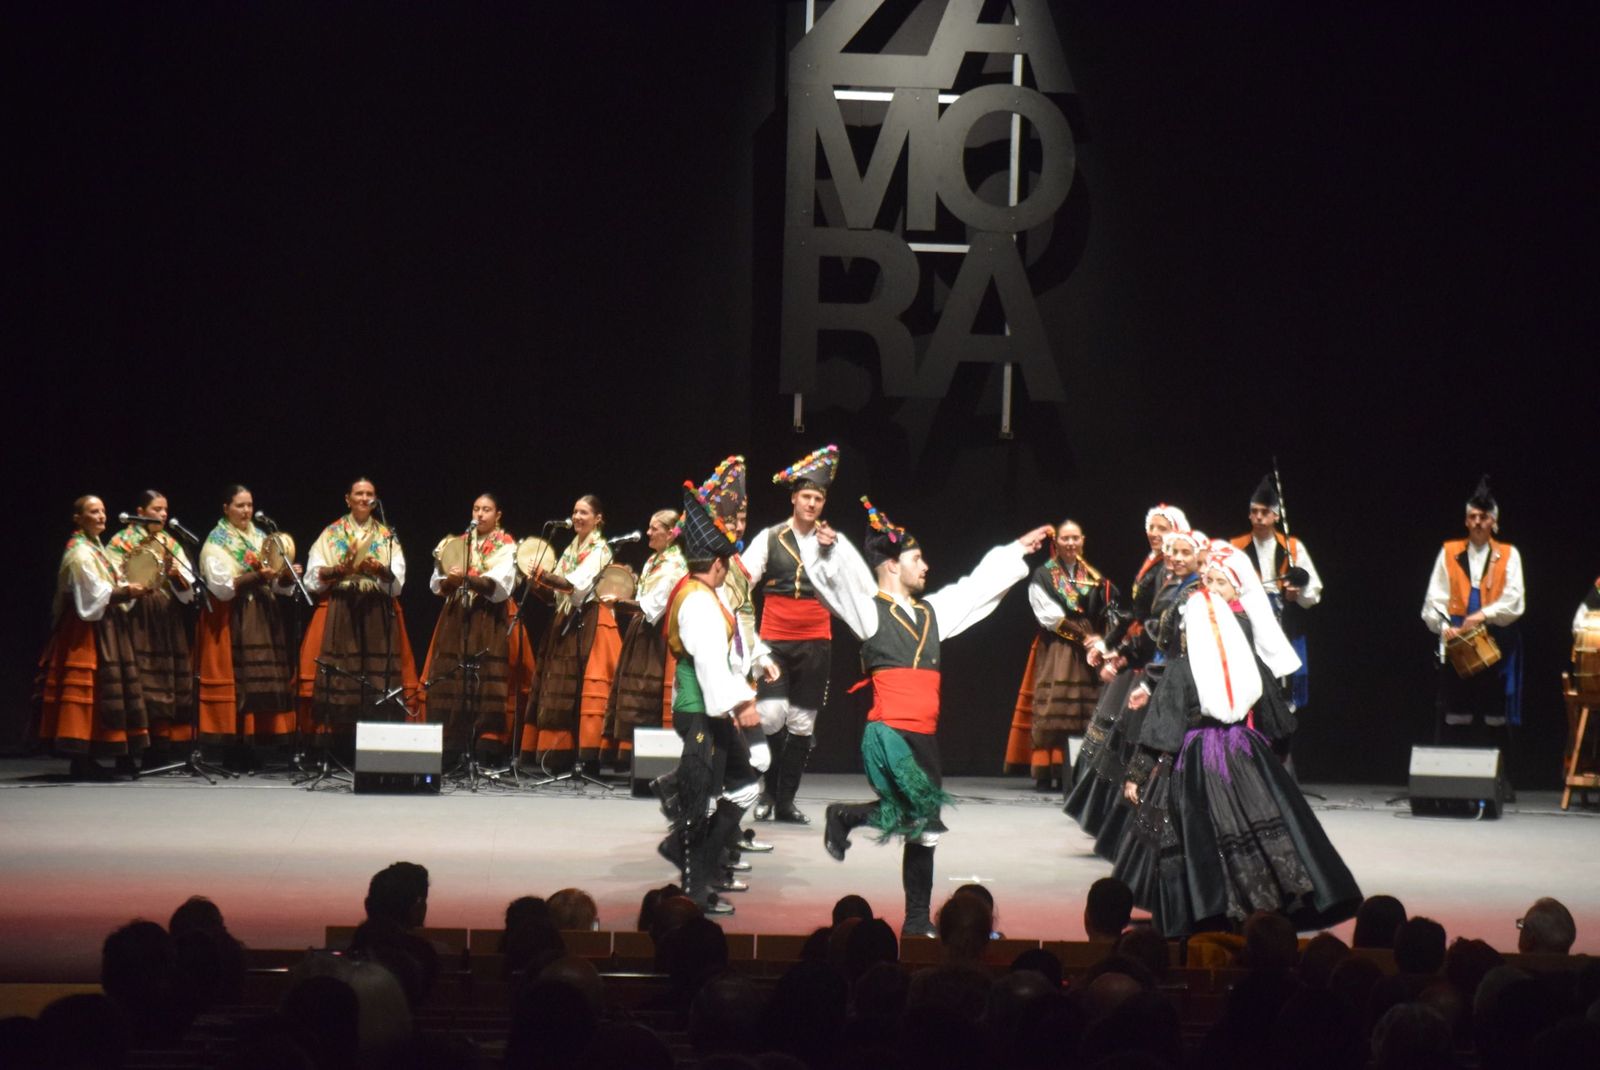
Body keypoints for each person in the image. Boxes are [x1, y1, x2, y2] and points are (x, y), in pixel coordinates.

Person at [814, 496, 1052, 937]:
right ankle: (854, 829)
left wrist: (1016, 549)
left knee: (924, 831)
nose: (925, 566)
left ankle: (915, 919)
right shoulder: (870, 613)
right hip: (889, 733)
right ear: (890, 566)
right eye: (916, 559)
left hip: (924, 737)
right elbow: (840, 587)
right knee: (919, 815)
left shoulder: (931, 613)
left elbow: (974, 588)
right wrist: (829, 552)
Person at [1120, 543, 1361, 937]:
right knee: (1260, 831)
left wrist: (1136, 774)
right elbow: (1279, 722)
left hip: (1197, 757)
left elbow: (1162, 729)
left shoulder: (1183, 669)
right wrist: (1272, 759)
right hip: (1246, 751)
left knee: (1203, 835)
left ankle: (1210, 912)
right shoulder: (1246, 660)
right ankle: (1266, 908)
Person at [658, 478, 765, 915]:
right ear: (718, 564)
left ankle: (682, 848)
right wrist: (740, 705)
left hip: (707, 707)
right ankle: (696, 892)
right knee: (701, 804)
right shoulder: (699, 601)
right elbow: (707, 666)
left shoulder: (700, 592)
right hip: (700, 708)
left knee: (744, 787)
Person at [1064, 504, 1187, 849]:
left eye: (1165, 530)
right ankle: (1109, 825)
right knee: (1116, 740)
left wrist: (1121, 654)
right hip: (1142, 656)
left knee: (1133, 743)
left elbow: (1155, 627)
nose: (1157, 535)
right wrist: (1110, 644)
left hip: (1153, 663)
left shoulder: (1174, 578)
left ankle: (1129, 833)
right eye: (1154, 528)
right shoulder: (1154, 564)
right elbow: (1138, 615)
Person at [739, 445, 841, 823]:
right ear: (794, 498)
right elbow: (742, 582)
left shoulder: (831, 543)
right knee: (769, 715)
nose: (811, 504)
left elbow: (845, 591)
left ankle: (784, 801)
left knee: (801, 723)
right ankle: (766, 792)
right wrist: (749, 636)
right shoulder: (770, 537)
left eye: (817, 498)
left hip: (816, 642)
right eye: (806, 497)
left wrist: (832, 558)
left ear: (823, 502)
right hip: (775, 641)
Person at [36, 495, 150, 778]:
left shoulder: (96, 548)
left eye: (102, 511)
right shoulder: (80, 553)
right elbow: (92, 595)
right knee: (88, 690)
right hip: (85, 630)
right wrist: (126, 591)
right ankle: (81, 758)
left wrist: (130, 586)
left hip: (107, 625)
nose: (101, 516)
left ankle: (116, 753)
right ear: (78, 518)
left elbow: (109, 584)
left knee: (111, 690)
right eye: (93, 512)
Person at [298, 478, 420, 737]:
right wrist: (337, 570)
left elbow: (398, 580)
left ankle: (375, 736)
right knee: (344, 672)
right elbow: (311, 576)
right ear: (348, 499)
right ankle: (338, 738)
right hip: (343, 609)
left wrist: (379, 569)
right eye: (359, 493)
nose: (364, 498)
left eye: (370, 494)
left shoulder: (386, 535)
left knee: (375, 676)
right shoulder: (331, 533)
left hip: (376, 612)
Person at [1004, 519, 1116, 792]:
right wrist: (1083, 637)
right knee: (1055, 705)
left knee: (1087, 705)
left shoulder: (1092, 575)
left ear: (1082, 540)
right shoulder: (1044, 574)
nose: (1071, 543)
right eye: (1065, 538)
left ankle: (1079, 770)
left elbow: (1105, 608)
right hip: (1059, 645)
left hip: (1090, 647)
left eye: (1075, 538)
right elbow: (1048, 616)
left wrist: (1102, 639)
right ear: (1057, 542)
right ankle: (1047, 771)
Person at [1421, 475, 1525, 755]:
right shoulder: (1449, 552)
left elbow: (1514, 599)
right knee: (1457, 707)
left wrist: (1483, 615)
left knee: (1495, 709)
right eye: (1473, 516)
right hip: (1459, 641)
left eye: (1484, 517)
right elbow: (1435, 598)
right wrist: (1444, 626)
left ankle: (1500, 780)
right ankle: (1456, 777)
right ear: (1466, 521)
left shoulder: (1508, 554)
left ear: (1494, 522)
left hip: (1497, 640)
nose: (1478, 522)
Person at [196, 485, 301, 760]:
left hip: (265, 614)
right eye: (240, 505)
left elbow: (277, 582)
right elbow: (221, 587)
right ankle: (236, 745)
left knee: (263, 679)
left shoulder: (261, 536)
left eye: (249, 505)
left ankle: (260, 741)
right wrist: (258, 577)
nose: (246, 511)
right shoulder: (216, 542)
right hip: (236, 614)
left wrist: (286, 577)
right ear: (226, 508)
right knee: (241, 677)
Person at [418, 494, 521, 765]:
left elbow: (500, 586)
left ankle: (485, 749)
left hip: (487, 617)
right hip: (457, 615)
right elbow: (437, 582)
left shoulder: (507, 545)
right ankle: (452, 746)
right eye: (476, 508)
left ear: (498, 514)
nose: (480, 514)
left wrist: (466, 578)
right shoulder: (458, 543)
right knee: (452, 676)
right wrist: (449, 579)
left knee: (485, 677)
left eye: (487, 509)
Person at [522, 494, 619, 774]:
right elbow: (557, 594)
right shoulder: (570, 550)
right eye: (575, 512)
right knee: (558, 687)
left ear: (598, 518)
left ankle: (585, 758)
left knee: (581, 687)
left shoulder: (602, 550)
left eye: (584, 513)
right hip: (565, 621)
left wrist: (546, 576)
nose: (577, 517)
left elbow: (578, 585)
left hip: (587, 622)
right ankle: (559, 755)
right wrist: (538, 583)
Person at [1230, 474, 1323, 759]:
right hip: (1248, 630)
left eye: (1264, 512)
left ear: (1275, 515)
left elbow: (1314, 589)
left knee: (1285, 697)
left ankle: (1282, 764)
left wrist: (1298, 593)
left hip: (1285, 628)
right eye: (1254, 512)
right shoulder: (1236, 546)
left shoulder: (1293, 548)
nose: (1258, 518)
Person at [105, 490, 197, 756]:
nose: (163, 514)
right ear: (140, 511)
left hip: (165, 615)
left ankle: (163, 746)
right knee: (141, 678)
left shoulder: (169, 541)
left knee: (167, 678)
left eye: (165, 509)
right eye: (157, 509)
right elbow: (113, 577)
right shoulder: (122, 541)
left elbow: (188, 586)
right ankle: (135, 750)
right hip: (136, 615)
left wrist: (175, 573)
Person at [603, 508, 687, 753]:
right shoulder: (653, 561)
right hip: (641, 630)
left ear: (671, 533)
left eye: (655, 528)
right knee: (631, 690)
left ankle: (650, 754)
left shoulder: (674, 566)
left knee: (644, 693)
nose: (648, 532)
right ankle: (629, 752)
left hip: (656, 636)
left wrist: (619, 603)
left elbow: (655, 606)